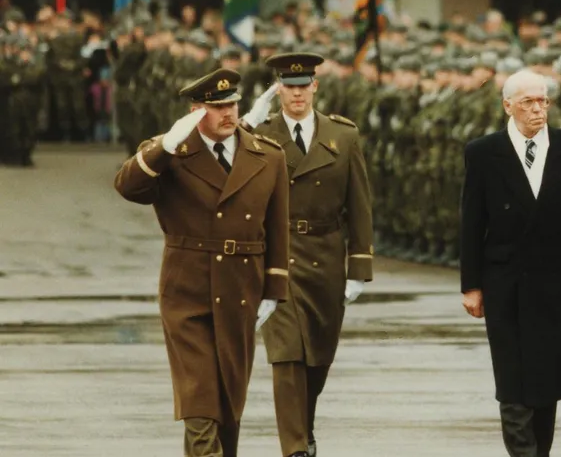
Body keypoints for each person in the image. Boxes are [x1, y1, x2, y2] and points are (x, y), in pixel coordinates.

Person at [113, 68, 290, 457]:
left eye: (232, 105)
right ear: (196, 112)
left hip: (241, 287)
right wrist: (163, 147)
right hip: (188, 289)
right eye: (217, 107)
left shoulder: (268, 155)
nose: (228, 113)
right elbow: (127, 186)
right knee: (199, 397)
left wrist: (274, 288)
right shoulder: (172, 154)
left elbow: (277, 229)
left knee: (228, 398)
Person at [459, 69, 561, 457]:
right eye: (528, 102)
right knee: (512, 381)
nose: (538, 109)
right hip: (505, 280)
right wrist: (471, 285)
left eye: (544, 101)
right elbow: (472, 221)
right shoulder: (483, 152)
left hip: (558, 280)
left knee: (548, 381)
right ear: (508, 106)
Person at [243, 52, 374, 457]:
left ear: (315, 87)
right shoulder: (259, 134)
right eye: (288, 87)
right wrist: (246, 124)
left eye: (303, 87)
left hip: (325, 254)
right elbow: (225, 162)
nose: (296, 94)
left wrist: (359, 266)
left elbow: (359, 203)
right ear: (278, 89)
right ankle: (295, 447)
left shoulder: (343, 135)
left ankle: (305, 424)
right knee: (286, 355)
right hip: (276, 254)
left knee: (317, 356)